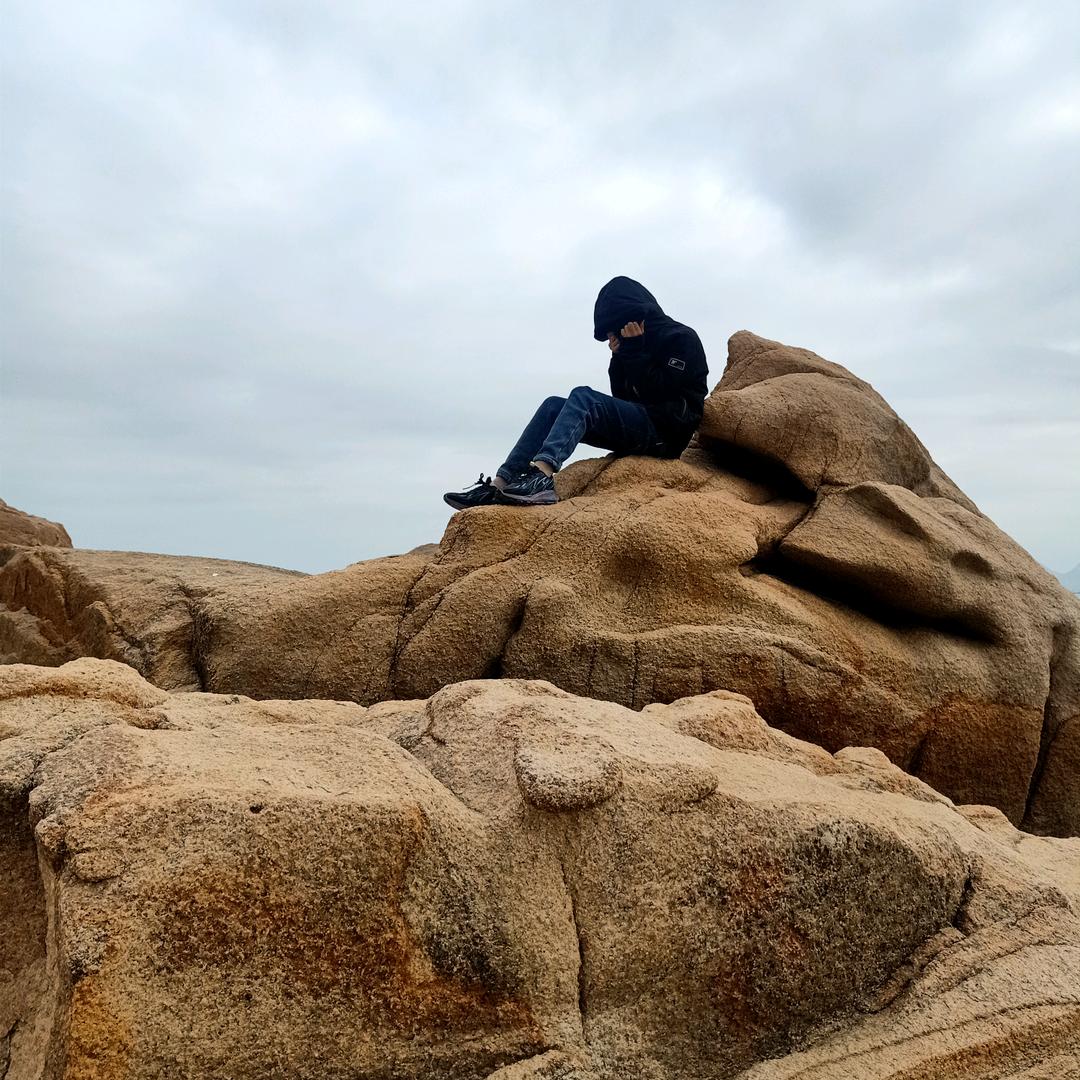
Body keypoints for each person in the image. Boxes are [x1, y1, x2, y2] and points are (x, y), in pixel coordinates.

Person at [443, 276, 708, 509]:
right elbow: (623, 398)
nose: (615, 335)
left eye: (616, 328)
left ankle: (543, 476)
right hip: (643, 425)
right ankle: (500, 484)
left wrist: (634, 351)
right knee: (553, 405)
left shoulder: (680, 338)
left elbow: (661, 393)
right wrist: (619, 358)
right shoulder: (631, 346)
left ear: (635, 316)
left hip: (668, 434)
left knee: (583, 396)